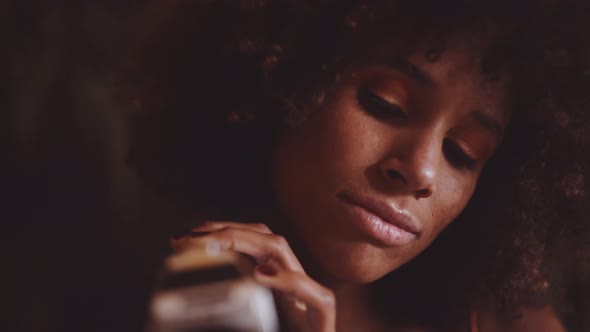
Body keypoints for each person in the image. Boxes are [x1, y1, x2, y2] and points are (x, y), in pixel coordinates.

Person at [125, 1, 590, 331]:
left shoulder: (503, 324)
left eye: (463, 153)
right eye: (384, 103)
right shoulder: (151, 290)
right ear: (283, 75)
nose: (422, 170)